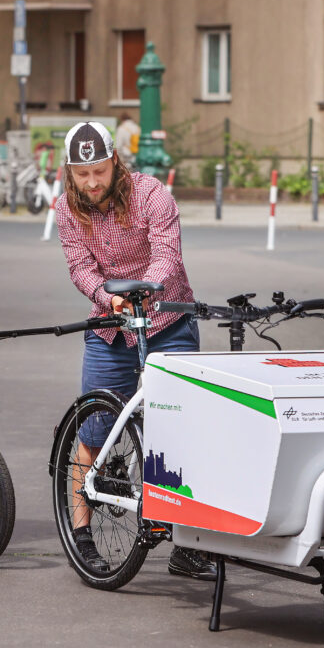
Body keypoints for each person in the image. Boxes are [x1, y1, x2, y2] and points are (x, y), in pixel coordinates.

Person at [54, 121, 217, 581]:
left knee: (181, 432)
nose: (92, 183)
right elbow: (79, 267)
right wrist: (108, 297)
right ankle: (82, 536)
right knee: (93, 431)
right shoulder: (67, 208)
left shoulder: (152, 195)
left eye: (99, 172)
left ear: (115, 162)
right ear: (70, 171)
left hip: (167, 322)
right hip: (110, 328)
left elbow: (168, 254)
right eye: (82, 174)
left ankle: (187, 546)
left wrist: (144, 289)